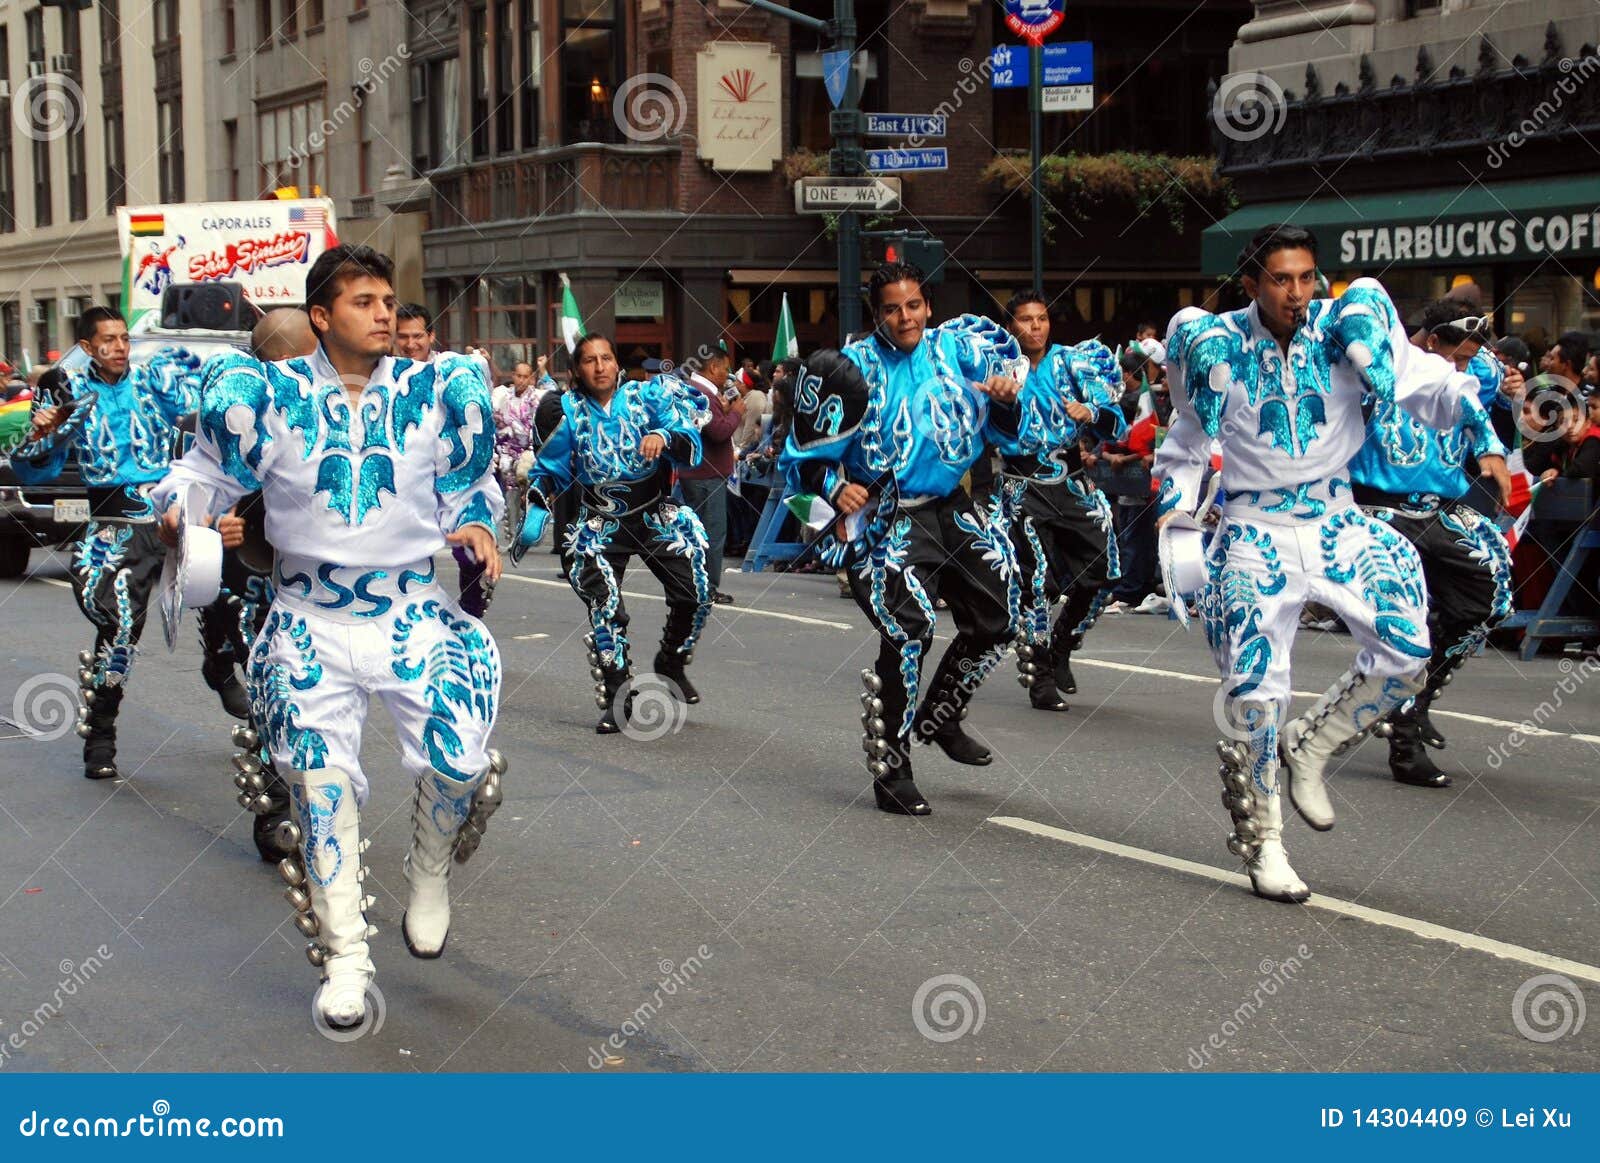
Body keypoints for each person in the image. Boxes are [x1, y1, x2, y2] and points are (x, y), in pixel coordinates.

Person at [154, 245, 506, 1030]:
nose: (386, 313)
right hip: (307, 619)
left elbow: (471, 486)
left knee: (458, 761)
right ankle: (346, 958)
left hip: (410, 612)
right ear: (321, 315)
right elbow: (200, 473)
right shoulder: (268, 396)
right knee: (320, 790)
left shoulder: (436, 389)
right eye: (364, 301)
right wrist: (179, 512)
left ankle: (429, 865)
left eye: (389, 299)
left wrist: (479, 523)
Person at [1155, 223, 1488, 903]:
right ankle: (1266, 841)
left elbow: (1425, 382)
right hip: (1254, 527)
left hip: (1337, 518)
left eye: (1307, 277)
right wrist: (1175, 513)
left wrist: (1482, 420)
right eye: (1281, 279)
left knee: (1407, 650)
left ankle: (1312, 742)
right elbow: (1187, 435)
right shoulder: (1213, 342)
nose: (1297, 292)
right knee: (1255, 690)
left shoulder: (1346, 328)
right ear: (1252, 283)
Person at [780, 262, 1043, 817]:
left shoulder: (958, 350)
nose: (906, 318)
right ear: (875, 314)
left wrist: (1005, 399)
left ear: (929, 305)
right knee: (908, 633)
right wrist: (836, 486)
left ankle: (942, 714)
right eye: (892, 309)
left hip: (952, 508)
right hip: (888, 519)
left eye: (914, 305)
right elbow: (800, 459)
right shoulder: (850, 369)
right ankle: (892, 767)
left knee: (1000, 618)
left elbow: (1009, 433)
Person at [10, 307, 201, 781]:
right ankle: (101, 733)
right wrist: (46, 431)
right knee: (119, 628)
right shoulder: (67, 389)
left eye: (124, 338)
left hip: (175, 516)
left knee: (235, 600)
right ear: (88, 347)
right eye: (108, 340)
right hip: (115, 525)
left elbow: (207, 418)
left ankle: (220, 670)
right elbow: (35, 468)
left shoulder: (155, 381)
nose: (119, 347)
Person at [1345, 298, 1516, 791]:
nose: (1464, 368)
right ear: (1431, 340)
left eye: (1471, 358)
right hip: (1377, 508)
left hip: (1440, 508)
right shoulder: (1376, 365)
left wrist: (1512, 400)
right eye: (1457, 357)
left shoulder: (1477, 370)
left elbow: (1500, 406)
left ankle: (1419, 698)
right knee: (1408, 622)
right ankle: (1403, 744)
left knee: (1491, 595)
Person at [516, 333, 712, 733]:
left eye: (606, 358)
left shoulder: (646, 397)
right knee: (605, 609)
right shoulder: (567, 411)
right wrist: (537, 504)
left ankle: (670, 661)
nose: (600, 366)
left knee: (695, 594)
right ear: (577, 369)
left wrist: (663, 436)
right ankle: (619, 695)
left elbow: (688, 437)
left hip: (654, 514)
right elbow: (551, 469)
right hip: (602, 523)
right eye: (590, 360)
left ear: (617, 363)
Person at [192, 308, 320, 863]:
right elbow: (191, 489)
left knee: (312, 688)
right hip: (251, 570)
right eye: (305, 354)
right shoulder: (230, 409)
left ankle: (318, 799)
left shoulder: (334, 402)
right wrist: (211, 520)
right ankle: (273, 810)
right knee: (273, 683)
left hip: (317, 572)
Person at [998, 291, 1124, 710]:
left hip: (1071, 484)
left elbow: (1117, 422)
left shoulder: (1072, 363)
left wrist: (1091, 413)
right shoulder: (999, 368)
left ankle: (1063, 644)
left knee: (1104, 572)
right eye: (1026, 319)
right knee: (1036, 584)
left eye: (1042, 318)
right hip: (1022, 486)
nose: (1035, 327)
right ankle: (1041, 679)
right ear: (1011, 326)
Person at [393, 303, 496, 616]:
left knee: (470, 551)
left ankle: (472, 604)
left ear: (431, 336)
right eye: (403, 337)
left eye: (417, 336)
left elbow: (477, 410)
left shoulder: (452, 369)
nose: (410, 344)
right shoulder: (386, 374)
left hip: (454, 471)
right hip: (408, 476)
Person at [679, 345, 742, 604]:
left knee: (699, 532)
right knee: (712, 533)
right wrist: (736, 413)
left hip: (697, 472)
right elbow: (718, 432)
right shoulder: (702, 393)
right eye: (725, 369)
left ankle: (696, 585)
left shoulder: (694, 389)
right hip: (706, 475)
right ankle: (707, 588)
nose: (727, 375)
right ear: (713, 367)